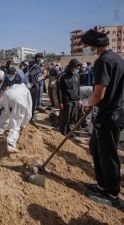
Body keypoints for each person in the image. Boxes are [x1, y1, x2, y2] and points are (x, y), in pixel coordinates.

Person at [80, 28, 124, 208]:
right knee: (95, 147)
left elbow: (98, 94)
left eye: (86, 46)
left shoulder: (103, 62)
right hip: (114, 111)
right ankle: (102, 184)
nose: (86, 49)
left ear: (94, 46)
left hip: (110, 114)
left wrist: (85, 103)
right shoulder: (117, 58)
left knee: (108, 153)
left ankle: (111, 193)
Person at [0, 84, 32, 153]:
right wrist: (24, 124)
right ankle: (11, 144)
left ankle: (0, 132)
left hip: (7, 94)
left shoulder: (14, 86)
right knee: (16, 123)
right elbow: (29, 107)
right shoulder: (27, 91)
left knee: (5, 113)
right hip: (20, 101)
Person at [56, 59, 81, 136]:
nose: (77, 69)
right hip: (66, 101)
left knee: (73, 119)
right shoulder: (62, 77)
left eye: (78, 68)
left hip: (75, 101)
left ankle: (70, 133)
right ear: (71, 67)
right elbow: (59, 90)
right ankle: (62, 134)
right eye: (76, 68)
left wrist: (78, 99)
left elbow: (78, 88)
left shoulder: (77, 75)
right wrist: (60, 102)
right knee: (65, 119)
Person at [27, 53, 43, 121]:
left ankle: (29, 114)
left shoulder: (31, 65)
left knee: (30, 101)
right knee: (33, 102)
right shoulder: (36, 66)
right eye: (40, 58)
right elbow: (31, 75)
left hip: (30, 86)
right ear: (37, 58)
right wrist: (42, 77)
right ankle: (31, 116)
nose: (41, 60)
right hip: (34, 87)